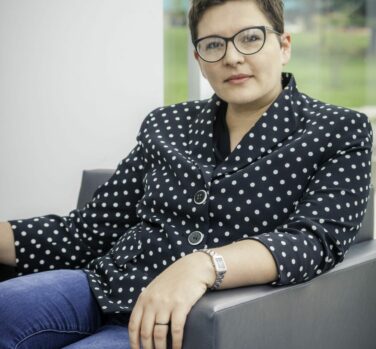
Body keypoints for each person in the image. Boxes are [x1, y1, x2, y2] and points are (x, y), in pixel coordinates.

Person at [0, 0, 373, 348]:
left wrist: (204, 264)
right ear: (199, 58)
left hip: (192, 319)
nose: (232, 57)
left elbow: (314, 240)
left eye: (250, 39)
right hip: (102, 283)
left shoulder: (339, 130)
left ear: (284, 45)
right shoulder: (166, 124)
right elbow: (89, 230)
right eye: (214, 45)